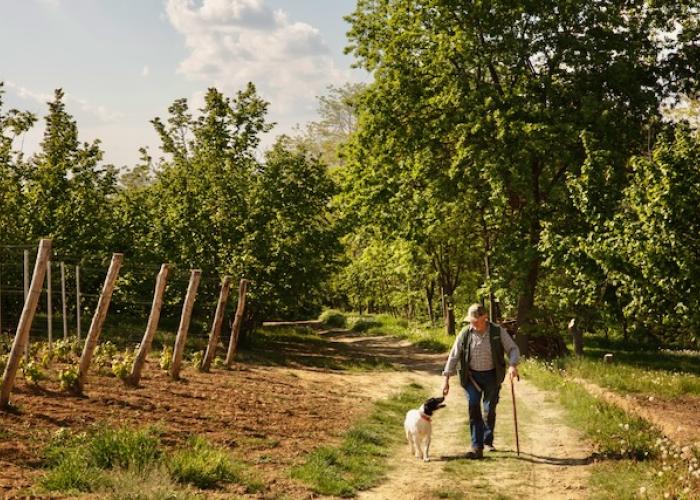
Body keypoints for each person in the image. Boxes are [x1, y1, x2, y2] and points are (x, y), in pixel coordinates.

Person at [441, 303, 520, 459]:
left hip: (492, 376)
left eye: (475, 320)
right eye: (471, 320)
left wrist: (512, 365)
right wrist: (446, 379)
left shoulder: (498, 332)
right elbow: (454, 355)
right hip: (471, 378)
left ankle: (487, 440)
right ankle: (477, 446)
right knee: (473, 407)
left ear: (485, 318)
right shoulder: (465, 333)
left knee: (489, 409)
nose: (473, 323)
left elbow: (513, 349)